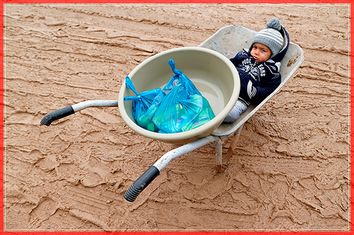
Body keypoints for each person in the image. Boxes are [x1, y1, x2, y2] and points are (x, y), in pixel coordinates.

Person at [223, 18, 289, 123]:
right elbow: (228, 64)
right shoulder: (243, 56)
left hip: (241, 98)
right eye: (255, 47)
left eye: (263, 50)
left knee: (230, 115)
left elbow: (269, 90)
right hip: (226, 86)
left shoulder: (271, 71)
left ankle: (213, 118)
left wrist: (253, 91)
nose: (256, 52)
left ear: (273, 55)